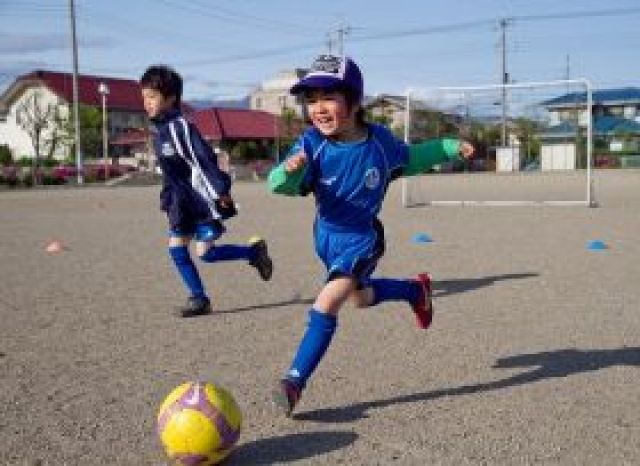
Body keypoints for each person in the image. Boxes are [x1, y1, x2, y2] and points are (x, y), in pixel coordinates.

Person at [268, 55, 474, 416]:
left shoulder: (379, 143)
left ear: (354, 101)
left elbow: (412, 157)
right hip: (325, 237)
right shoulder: (311, 144)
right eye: (311, 100)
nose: (318, 108)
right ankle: (415, 290)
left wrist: (448, 147)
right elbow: (278, 184)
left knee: (328, 301)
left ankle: (294, 382)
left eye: (328, 98)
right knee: (361, 299)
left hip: (361, 239)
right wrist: (288, 171)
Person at [140, 65, 273, 317]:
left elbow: (204, 160)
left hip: (200, 201)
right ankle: (199, 299)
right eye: (144, 97)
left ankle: (254, 252)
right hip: (180, 203)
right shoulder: (160, 132)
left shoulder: (181, 128)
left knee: (206, 254)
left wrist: (221, 191)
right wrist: (166, 198)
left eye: (152, 96)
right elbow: (170, 172)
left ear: (171, 98)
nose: (147, 102)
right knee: (176, 248)